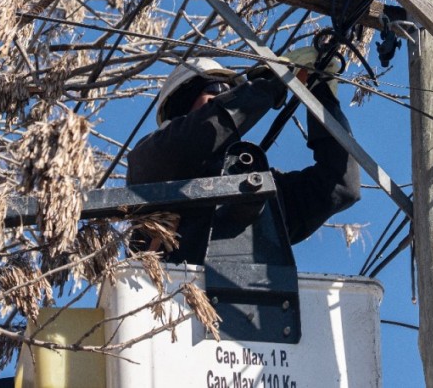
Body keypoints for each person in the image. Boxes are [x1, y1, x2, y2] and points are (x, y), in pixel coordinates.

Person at [127, 52, 360, 265]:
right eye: (217, 90)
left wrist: (322, 97)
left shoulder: (253, 188)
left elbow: (339, 185)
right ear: (183, 102)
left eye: (230, 94)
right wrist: (270, 84)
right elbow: (203, 132)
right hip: (169, 293)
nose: (224, 98)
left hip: (247, 296)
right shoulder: (150, 158)